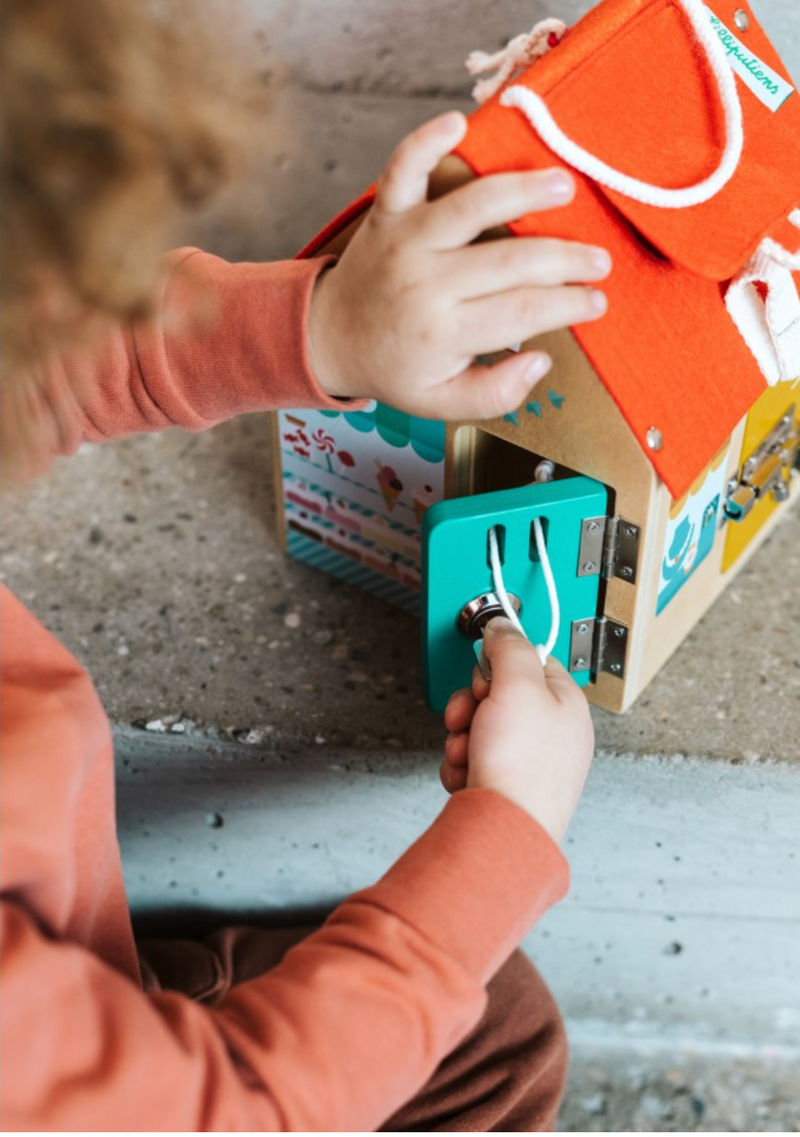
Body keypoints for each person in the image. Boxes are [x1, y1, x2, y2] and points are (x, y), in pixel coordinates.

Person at [0, 0, 609, 1129]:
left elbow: (35, 355)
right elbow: (238, 1110)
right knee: (487, 1049)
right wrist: (509, 827)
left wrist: (319, 330)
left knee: (492, 1022)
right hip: (117, 1086)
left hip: (69, 1001)